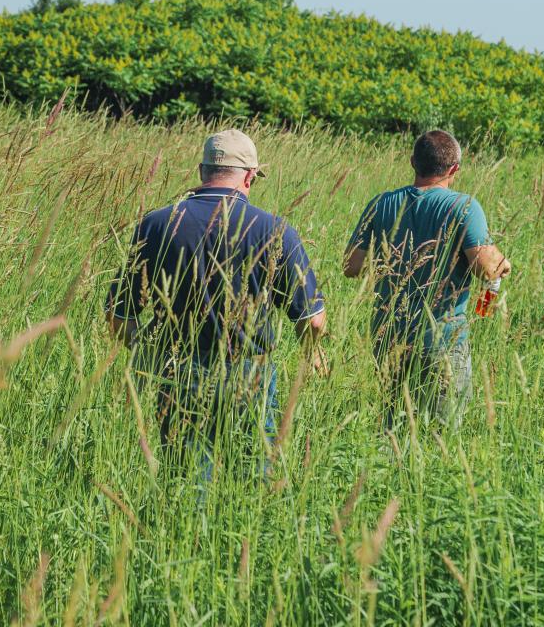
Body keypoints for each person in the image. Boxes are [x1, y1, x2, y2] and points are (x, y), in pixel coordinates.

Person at [107, 129, 327, 479]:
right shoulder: (275, 229)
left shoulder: (156, 223)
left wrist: (145, 355)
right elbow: (313, 320)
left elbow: (119, 315)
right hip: (249, 373)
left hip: (178, 370)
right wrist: (311, 353)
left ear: (201, 171)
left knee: (188, 482)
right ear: (250, 175)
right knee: (254, 481)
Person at [343, 129, 510, 431]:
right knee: (442, 434)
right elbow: (488, 269)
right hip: (441, 339)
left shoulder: (381, 203)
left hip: (388, 334)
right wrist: (501, 261)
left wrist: (393, 259)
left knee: (391, 428)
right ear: (454, 169)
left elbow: (351, 266)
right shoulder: (464, 207)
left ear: (412, 162)